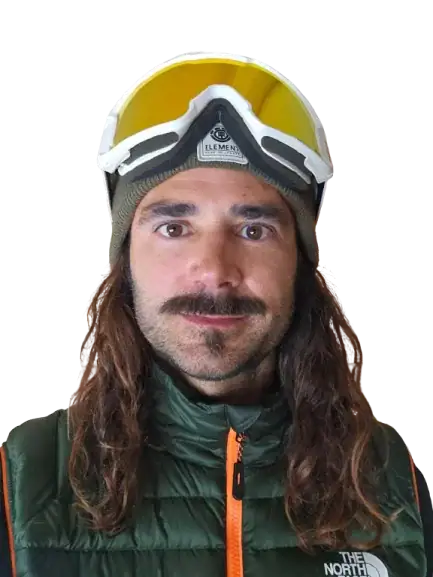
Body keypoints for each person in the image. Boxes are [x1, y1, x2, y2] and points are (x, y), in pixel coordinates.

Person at [0, 52, 431, 577]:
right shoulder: (19, 484)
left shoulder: (398, 483)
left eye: (253, 230)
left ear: (299, 262)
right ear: (125, 259)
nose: (214, 271)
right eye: (174, 228)